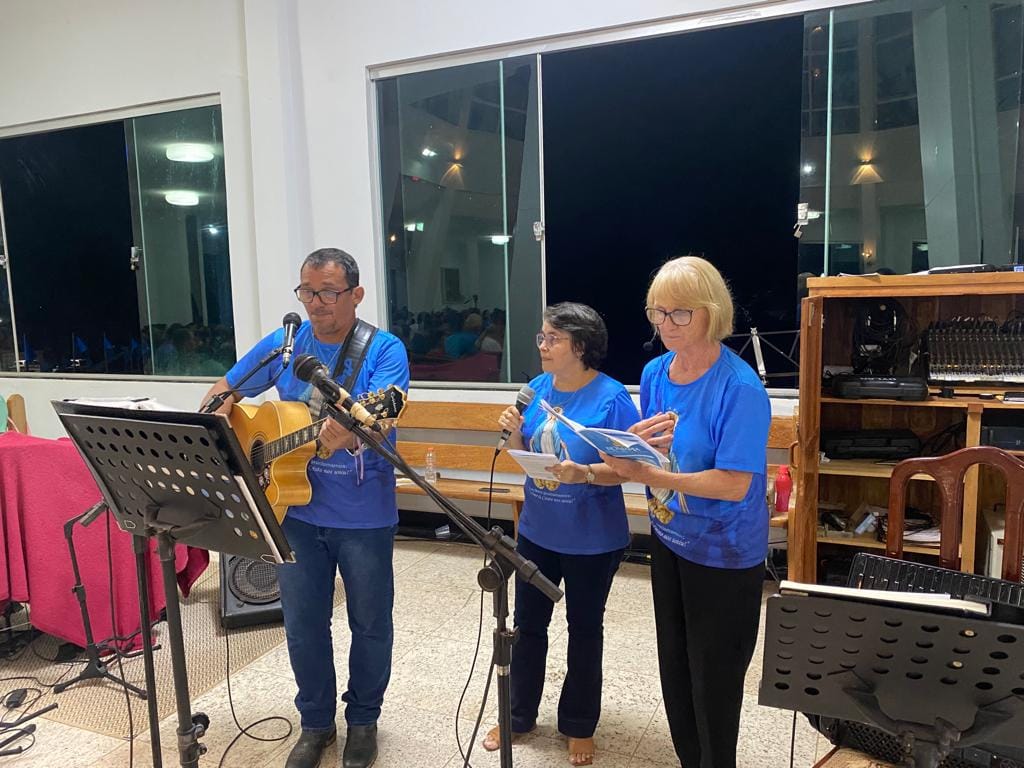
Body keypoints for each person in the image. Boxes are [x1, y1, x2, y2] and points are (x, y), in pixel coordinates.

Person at [202, 248, 410, 768]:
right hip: (292, 513)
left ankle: (363, 720)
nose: (316, 303)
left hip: (363, 517)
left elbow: (379, 418)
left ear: (356, 295)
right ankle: (315, 723)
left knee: (370, 623)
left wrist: (349, 433)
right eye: (307, 292)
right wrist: (226, 427)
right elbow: (226, 387)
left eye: (328, 293)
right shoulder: (286, 343)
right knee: (302, 625)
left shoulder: (384, 350)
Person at [599, 255, 770, 768]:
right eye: (657, 312)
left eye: (679, 313)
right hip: (670, 538)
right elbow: (657, 449)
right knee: (674, 666)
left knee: (714, 679)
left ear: (711, 312)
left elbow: (735, 484)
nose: (665, 324)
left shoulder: (740, 388)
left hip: (724, 553)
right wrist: (626, 447)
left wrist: (654, 477)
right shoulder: (656, 372)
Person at [482, 302, 640, 767]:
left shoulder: (612, 398)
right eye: (542, 337)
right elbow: (524, 454)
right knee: (527, 627)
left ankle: (578, 724)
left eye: (553, 338)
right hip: (538, 530)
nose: (543, 346)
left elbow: (628, 468)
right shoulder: (535, 388)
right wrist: (513, 433)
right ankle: (518, 717)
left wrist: (585, 474)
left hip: (593, 539)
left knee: (584, 630)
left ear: (582, 346)